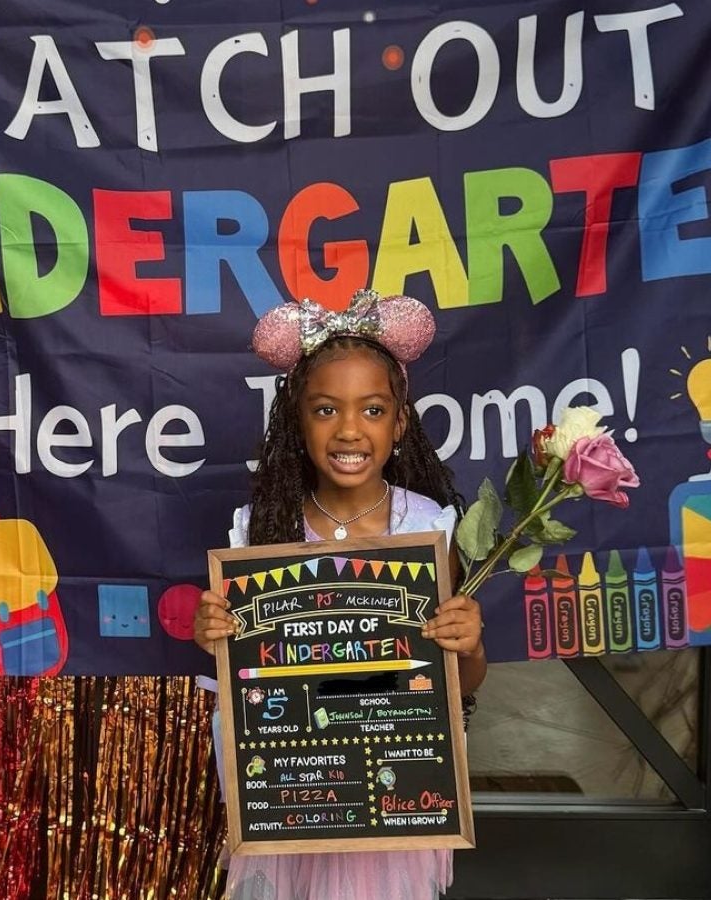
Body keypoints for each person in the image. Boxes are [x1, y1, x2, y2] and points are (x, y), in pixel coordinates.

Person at [194, 289, 487, 900]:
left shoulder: (427, 529)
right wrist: (213, 633)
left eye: (373, 410)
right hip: (293, 791)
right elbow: (245, 672)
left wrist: (467, 643)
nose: (349, 430)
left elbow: (462, 678)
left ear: (400, 422)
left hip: (392, 795)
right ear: (298, 422)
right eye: (326, 410)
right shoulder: (260, 530)